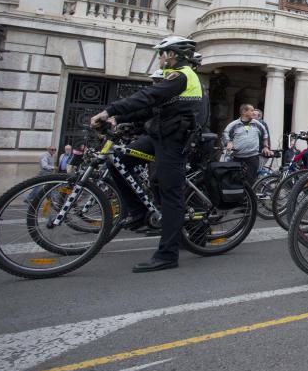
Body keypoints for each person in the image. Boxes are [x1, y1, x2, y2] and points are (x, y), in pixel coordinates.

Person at [90, 35, 205, 273]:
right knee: (118, 160)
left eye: (161, 54)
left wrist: (109, 109)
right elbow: (149, 109)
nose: (159, 58)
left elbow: (147, 97)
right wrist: (117, 118)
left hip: (174, 141)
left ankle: (167, 254)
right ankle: (139, 212)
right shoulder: (173, 78)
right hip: (158, 136)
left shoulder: (182, 75)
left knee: (169, 194)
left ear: (171, 54)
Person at [223, 104, 272, 187]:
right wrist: (228, 142)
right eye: (251, 110)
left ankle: (249, 199)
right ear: (244, 112)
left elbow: (265, 135)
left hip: (253, 157)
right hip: (237, 157)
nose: (254, 112)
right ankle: (238, 198)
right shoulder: (233, 125)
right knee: (235, 180)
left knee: (251, 180)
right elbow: (225, 134)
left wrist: (266, 147)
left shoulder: (258, 124)